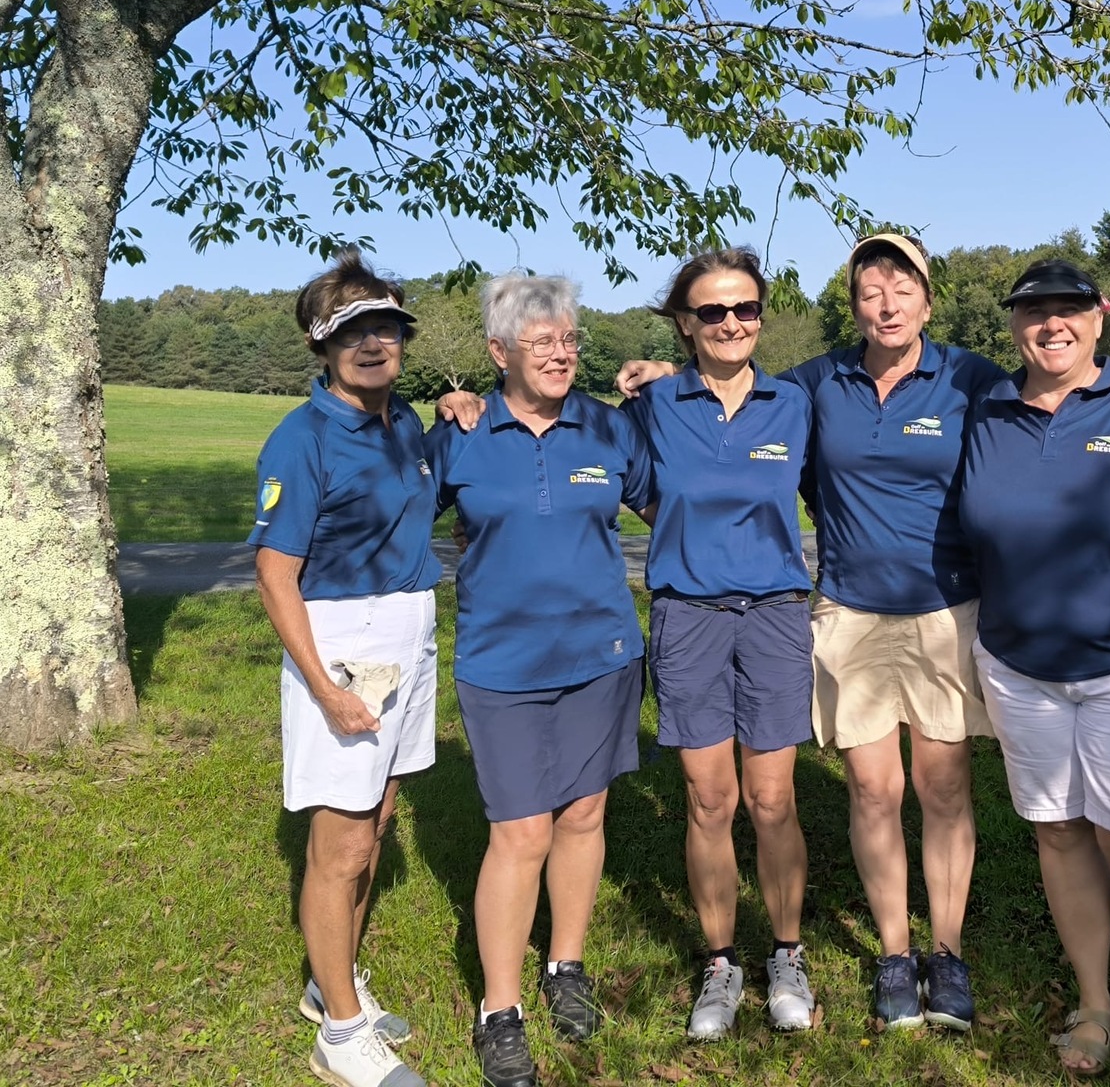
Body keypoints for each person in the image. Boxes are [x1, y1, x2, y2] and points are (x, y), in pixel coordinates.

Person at [617, 233, 1110, 1033]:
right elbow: (738, 394)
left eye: (903, 289)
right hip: (851, 611)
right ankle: (895, 953)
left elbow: (1059, 392)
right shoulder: (819, 384)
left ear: (928, 298)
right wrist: (662, 375)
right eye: (869, 292)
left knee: (944, 788)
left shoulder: (972, 378)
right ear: (853, 305)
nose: (886, 305)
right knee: (873, 789)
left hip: (948, 609)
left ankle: (947, 952)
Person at [957, 259, 1110, 1076]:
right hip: (1019, 661)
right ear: (1014, 325)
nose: (1051, 325)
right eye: (1034, 312)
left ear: (1100, 318)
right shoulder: (982, 408)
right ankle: (1094, 998)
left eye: (1069, 310)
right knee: (1059, 833)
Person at [424, 274, 652, 1087]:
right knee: (521, 831)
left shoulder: (605, 426)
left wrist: (668, 393)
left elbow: (668, 504)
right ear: (498, 353)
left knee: (584, 815)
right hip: (502, 663)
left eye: (570, 340)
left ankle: (566, 965)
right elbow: (400, 518)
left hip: (602, 655)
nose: (561, 354)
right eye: (542, 341)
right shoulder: (461, 433)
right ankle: (500, 1007)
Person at [250, 250, 439, 1087]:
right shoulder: (303, 437)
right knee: (342, 848)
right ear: (321, 347)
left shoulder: (407, 425)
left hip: (410, 632)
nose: (373, 343)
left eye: (387, 327)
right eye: (352, 330)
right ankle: (341, 1034)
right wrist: (324, 687)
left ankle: (335, 990)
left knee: (378, 820)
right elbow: (275, 574)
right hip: (345, 641)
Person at [622, 247, 818, 1041]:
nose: (731, 323)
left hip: (774, 614)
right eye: (712, 311)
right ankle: (719, 962)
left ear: (761, 317)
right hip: (689, 616)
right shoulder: (655, 402)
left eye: (744, 309)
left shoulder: (795, 403)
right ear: (684, 323)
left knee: (773, 800)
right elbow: (632, 490)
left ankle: (787, 954)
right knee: (711, 800)